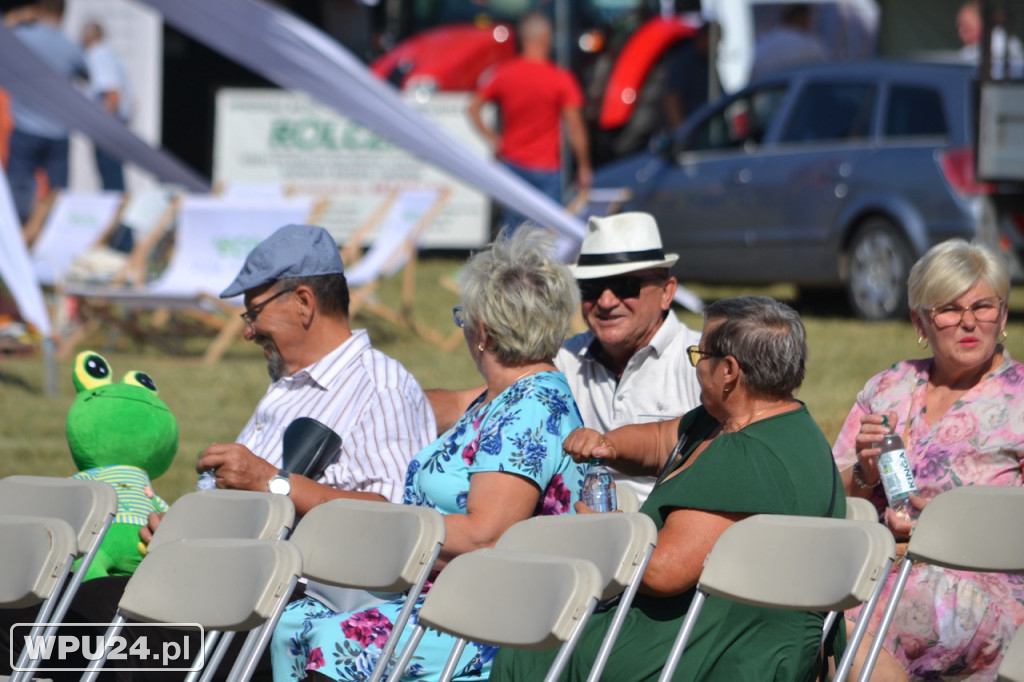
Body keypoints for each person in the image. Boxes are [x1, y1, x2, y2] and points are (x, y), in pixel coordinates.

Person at [0, 223, 437, 680]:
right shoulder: (291, 387)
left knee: (82, 617)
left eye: (253, 313)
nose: (248, 332)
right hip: (220, 587)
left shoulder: (379, 387)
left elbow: (395, 523)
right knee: (29, 605)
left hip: (275, 609)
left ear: (304, 302)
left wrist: (273, 483)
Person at [271, 226, 587, 682]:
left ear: (483, 331)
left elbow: (485, 534)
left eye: (464, 318)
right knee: (293, 624)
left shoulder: (531, 410)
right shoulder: (500, 397)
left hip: (497, 612)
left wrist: (384, 530)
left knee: (338, 641)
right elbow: (434, 405)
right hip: (443, 593)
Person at [490, 295, 845, 681]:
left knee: (530, 650)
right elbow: (663, 440)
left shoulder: (746, 455)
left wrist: (608, 532)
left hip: (711, 652)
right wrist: (608, 445)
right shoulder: (769, 425)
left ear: (728, 371)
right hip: (724, 639)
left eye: (700, 355)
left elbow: (664, 571)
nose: (697, 366)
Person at [834, 239, 1024, 681]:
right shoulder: (890, 385)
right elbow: (828, 494)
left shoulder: (1019, 401)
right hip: (879, 564)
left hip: (979, 583)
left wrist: (949, 528)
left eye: (983, 306)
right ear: (920, 321)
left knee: (846, 625)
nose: (969, 322)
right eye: (949, 309)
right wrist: (863, 473)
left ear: (1004, 316)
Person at [428, 212, 702, 505]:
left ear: (666, 292)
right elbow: (478, 404)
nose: (606, 302)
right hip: (584, 530)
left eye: (625, 287)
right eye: (592, 288)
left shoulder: (701, 362)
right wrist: (393, 405)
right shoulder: (566, 357)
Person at [467, 10, 592, 228]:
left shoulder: (503, 73)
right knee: (547, 233)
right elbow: (575, 127)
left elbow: (472, 108)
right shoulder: (560, 78)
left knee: (513, 233)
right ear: (547, 38)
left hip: (512, 162)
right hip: (547, 167)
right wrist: (584, 166)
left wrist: (493, 139)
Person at [5, 0, 87, 223]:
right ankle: (53, 239)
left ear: (39, 9)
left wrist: (18, 17)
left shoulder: (22, 37)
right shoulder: (71, 47)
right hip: (58, 132)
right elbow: (87, 78)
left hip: (25, 128)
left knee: (19, 193)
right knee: (59, 195)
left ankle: (20, 243)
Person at [81, 20, 132, 191]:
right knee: (113, 181)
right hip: (115, 124)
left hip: (108, 128)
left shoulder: (97, 55)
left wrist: (102, 126)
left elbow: (113, 94)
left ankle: (116, 217)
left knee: (112, 184)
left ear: (88, 37)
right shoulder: (108, 54)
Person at [749, 3, 828, 83]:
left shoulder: (765, 42)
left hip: (767, 92)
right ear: (801, 18)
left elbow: (753, 78)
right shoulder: (808, 44)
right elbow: (826, 72)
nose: (812, 22)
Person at [663, 22, 719, 131]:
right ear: (706, 38)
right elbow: (672, 98)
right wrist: (683, 132)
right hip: (694, 133)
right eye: (717, 40)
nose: (717, 46)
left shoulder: (707, 62)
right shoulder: (685, 61)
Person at [957, 0, 1024, 79]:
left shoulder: (1002, 41)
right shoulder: (967, 51)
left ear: (985, 23)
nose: (961, 33)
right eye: (959, 27)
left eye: (967, 28)